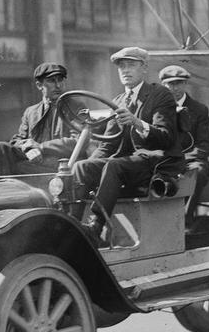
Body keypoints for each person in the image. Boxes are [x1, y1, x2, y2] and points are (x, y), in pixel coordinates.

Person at [71, 46, 179, 239]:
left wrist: (137, 123)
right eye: (121, 67)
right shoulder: (118, 101)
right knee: (81, 167)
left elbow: (166, 137)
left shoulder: (161, 94)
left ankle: (96, 226)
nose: (125, 70)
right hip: (128, 164)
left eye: (131, 65)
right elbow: (108, 145)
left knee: (114, 166)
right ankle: (72, 223)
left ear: (144, 68)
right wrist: (92, 165)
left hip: (154, 161)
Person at [0, 63, 86, 177]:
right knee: (0, 148)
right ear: (39, 85)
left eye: (60, 80)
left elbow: (79, 141)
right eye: (51, 81)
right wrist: (27, 148)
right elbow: (17, 140)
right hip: (35, 161)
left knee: (14, 166)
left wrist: (41, 147)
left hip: (61, 164)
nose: (58, 85)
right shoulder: (31, 112)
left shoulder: (76, 107)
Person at [155, 64, 209, 221]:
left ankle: (184, 219)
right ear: (163, 85)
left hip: (191, 160)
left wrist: (183, 159)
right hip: (164, 160)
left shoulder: (199, 110)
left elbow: (205, 144)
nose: (174, 88)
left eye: (178, 83)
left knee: (197, 172)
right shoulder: (157, 109)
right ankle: (158, 221)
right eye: (170, 84)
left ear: (185, 84)